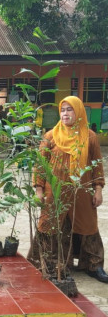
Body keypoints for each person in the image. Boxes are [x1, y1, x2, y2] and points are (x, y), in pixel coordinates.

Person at [28, 95, 107, 283]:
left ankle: (93, 265)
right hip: (54, 193)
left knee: (88, 227)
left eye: (69, 109)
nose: (65, 113)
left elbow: (96, 166)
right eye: (62, 110)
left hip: (82, 192)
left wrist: (98, 189)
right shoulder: (50, 137)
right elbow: (40, 166)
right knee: (50, 226)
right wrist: (38, 191)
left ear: (78, 112)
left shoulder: (90, 137)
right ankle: (52, 263)